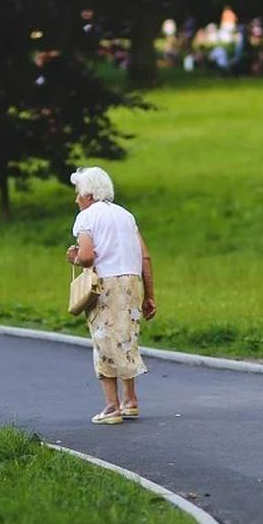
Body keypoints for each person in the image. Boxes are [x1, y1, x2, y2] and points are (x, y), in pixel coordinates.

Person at [65, 167, 157, 425]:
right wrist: (149, 296)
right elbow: (145, 257)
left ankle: (111, 407)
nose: (76, 200)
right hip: (132, 283)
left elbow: (86, 257)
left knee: (104, 341)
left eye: (78, 194)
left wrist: (74, 257)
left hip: (106, 285)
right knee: (125, 339)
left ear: (88, 194)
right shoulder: (126, 216)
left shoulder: (86, 217)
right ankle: (131, 401)